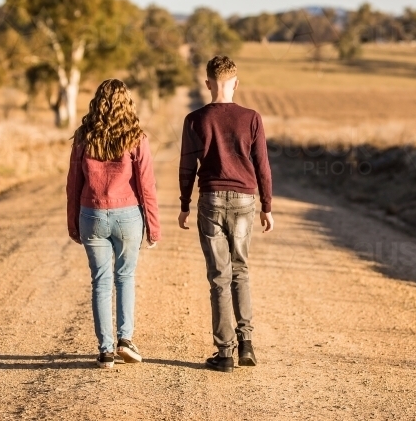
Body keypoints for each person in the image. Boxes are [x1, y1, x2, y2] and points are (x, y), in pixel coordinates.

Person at [178, 55, 274, 373]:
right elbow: (262, 165)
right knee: (241, 272)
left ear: (207, 84)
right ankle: (247, 342)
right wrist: (267, 206)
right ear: (235, 82)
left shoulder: (195, 120)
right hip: (246, 201)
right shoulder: (251, 118)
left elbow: (187, 167)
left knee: (219, 278)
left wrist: (183, 204)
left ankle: (225, 354)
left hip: (210, 200)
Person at [67, 78, 160, 369]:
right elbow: (147, 186)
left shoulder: (84, 136)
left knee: (100, 282)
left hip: (91, 215)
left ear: (97, 102)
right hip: (128, 216)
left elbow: (74, 184)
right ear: (126, 102)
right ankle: (125, 340)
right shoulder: (136, 137)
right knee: (125, 277)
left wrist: (73, 223)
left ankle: (105, 351)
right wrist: (153, 227)